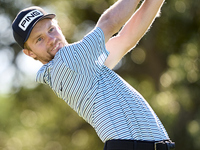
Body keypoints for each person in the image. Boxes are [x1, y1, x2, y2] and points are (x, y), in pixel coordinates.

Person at [12, 0, 175, 149]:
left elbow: (126, 38)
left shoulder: (83, 65)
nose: (51, 39)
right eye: (39, 39)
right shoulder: (67, 61)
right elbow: (110, 21)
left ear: (59, 28)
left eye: (51, 29)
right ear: (30, 53)